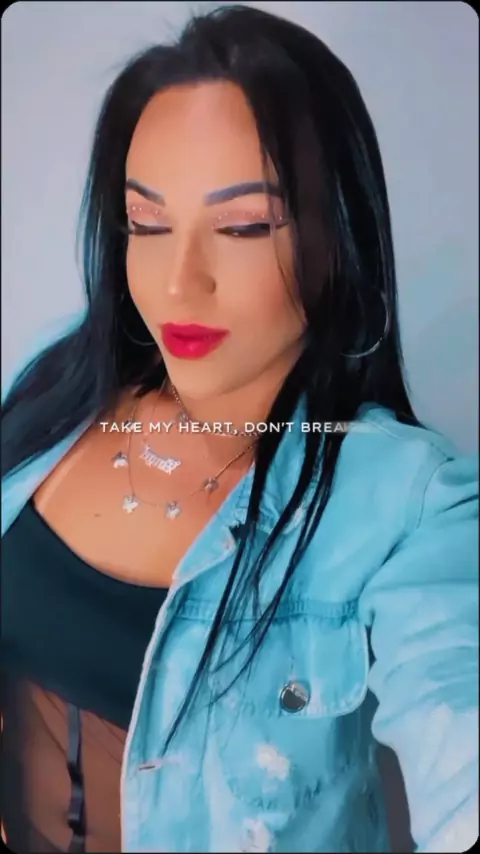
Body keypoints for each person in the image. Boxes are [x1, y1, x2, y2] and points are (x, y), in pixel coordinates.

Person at [1, 4, 478, 853]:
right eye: (147, 225)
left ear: (337, 237)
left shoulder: (409, 505)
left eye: (244, 227)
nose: (178, 285)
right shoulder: (57, 393)